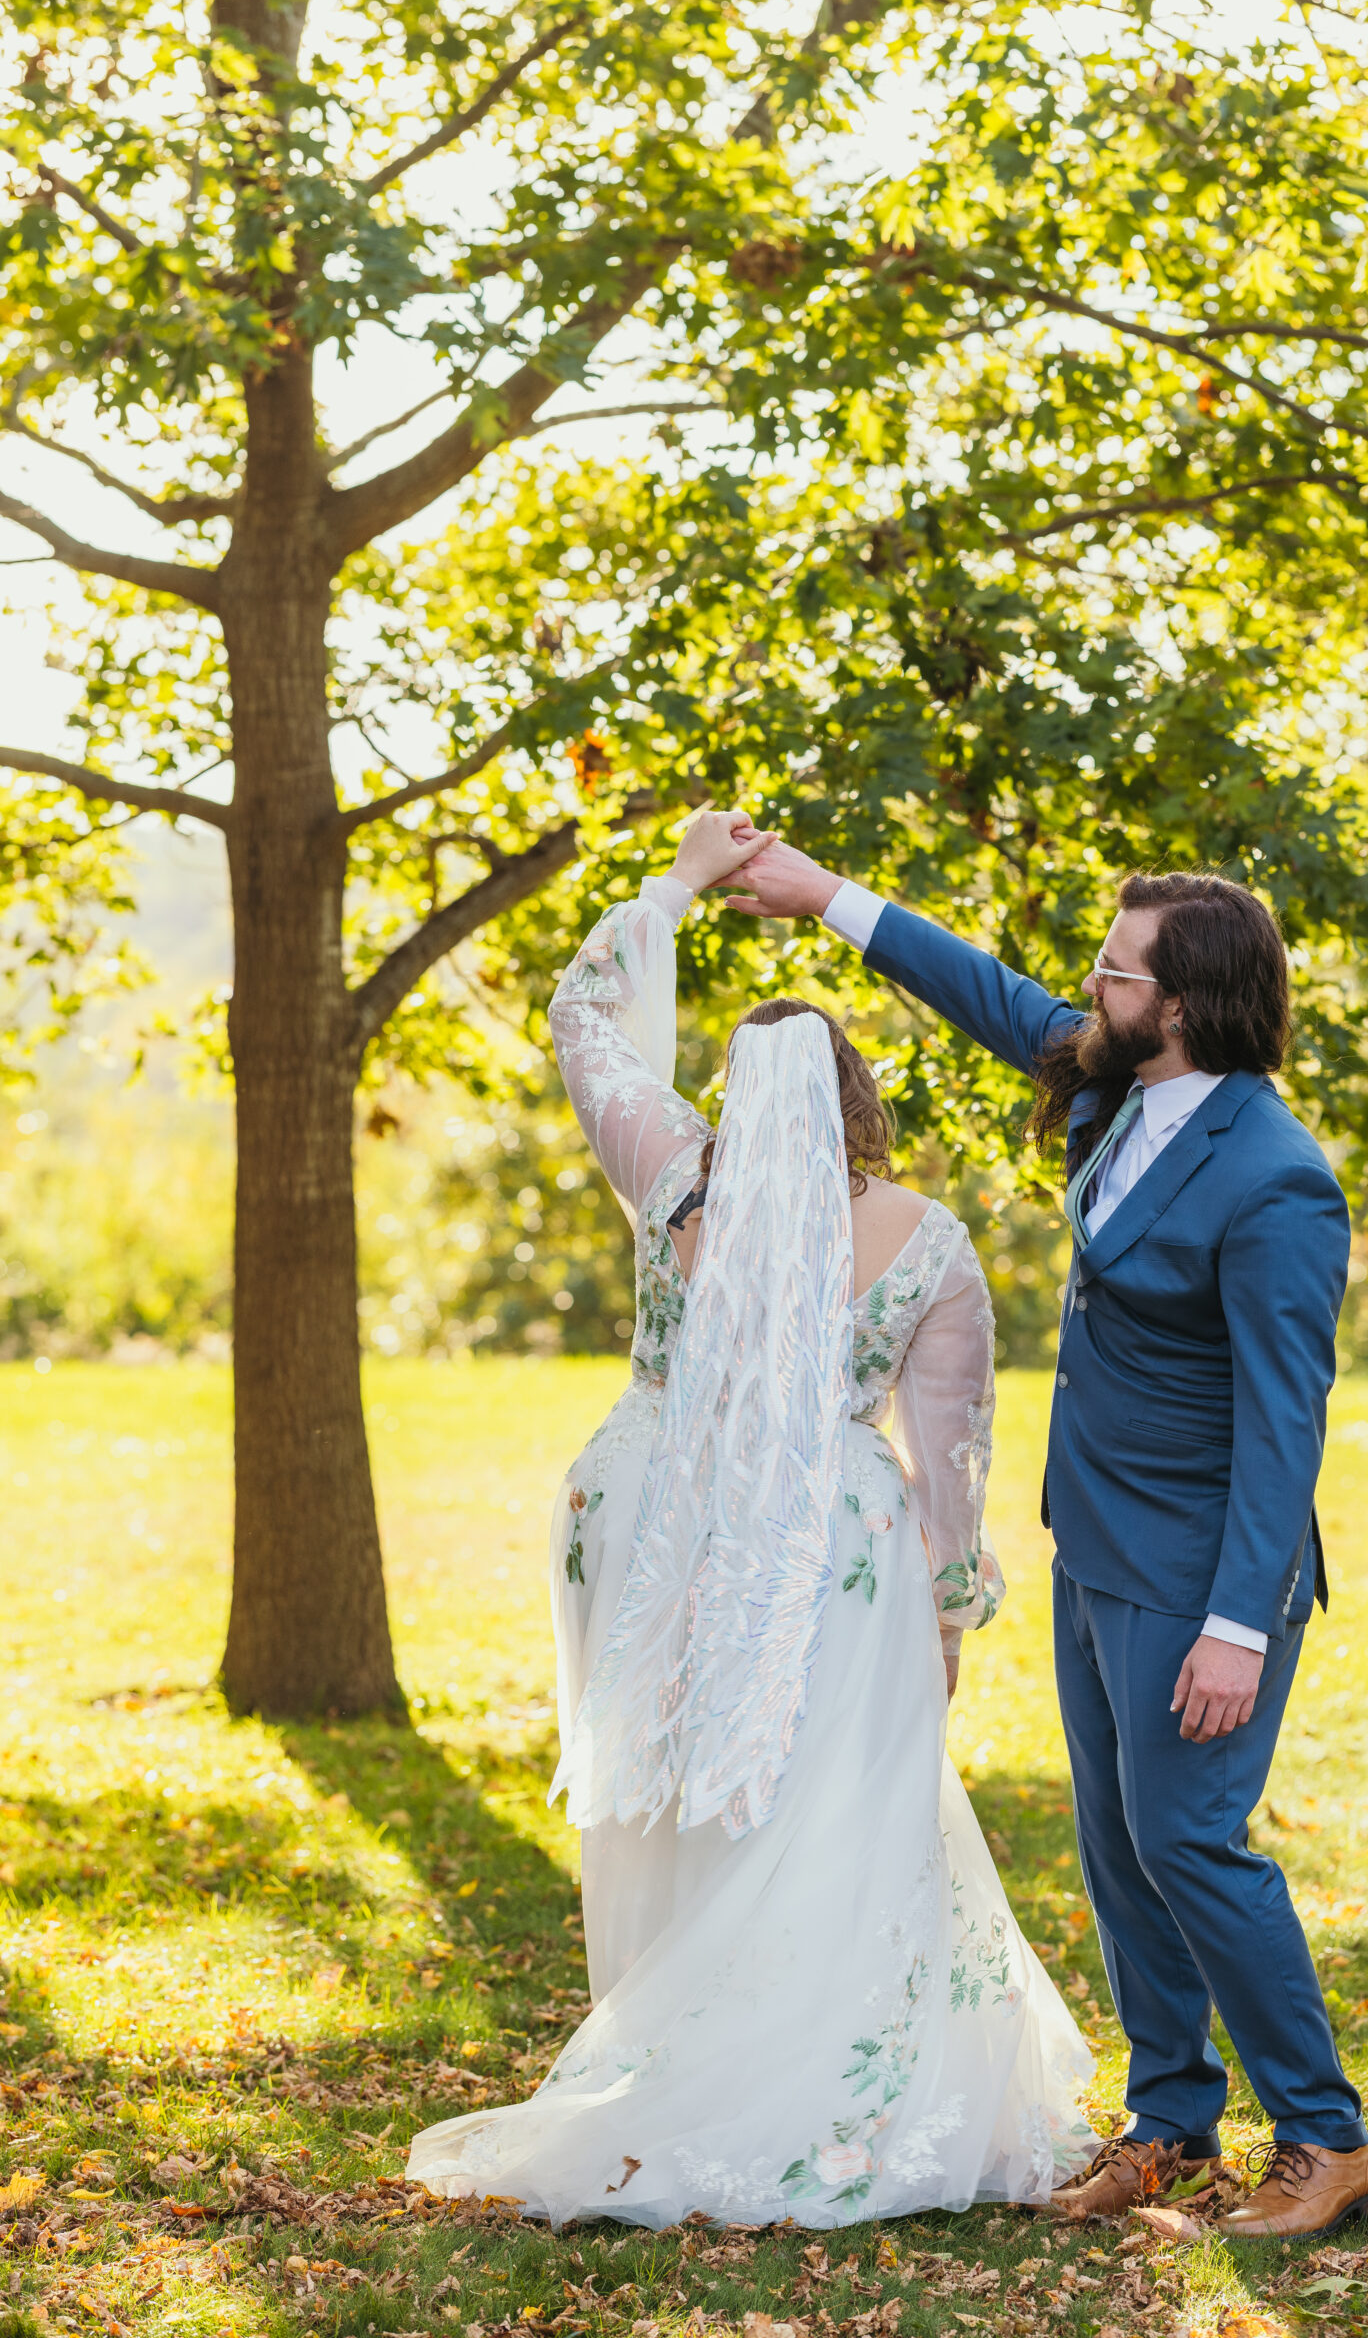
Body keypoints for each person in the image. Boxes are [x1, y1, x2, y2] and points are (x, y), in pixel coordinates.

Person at [406, 810, 1097, 2229]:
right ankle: (814, 2084)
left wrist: (678, 883)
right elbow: (952, 1454)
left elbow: (583, 1015)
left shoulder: (672, 1168)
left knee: (672, 1799)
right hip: (834, 1545)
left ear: (730, 1091)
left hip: (644, 1503)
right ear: (858, 1103)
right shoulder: (930, 1243)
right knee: (831, 1798)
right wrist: (948, 1611)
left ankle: (671, 2057)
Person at [722, 842, 1368, 2242]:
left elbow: (1287, 1424)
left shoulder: (1276, 1178)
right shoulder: (1115, 1082)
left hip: (1201, 1573)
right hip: (1092, 1540)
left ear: (1182, 1006)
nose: (1089, 986)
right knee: (1118, 1843)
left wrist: (1237, 1627)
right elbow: (987, 991)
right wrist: (823, 895)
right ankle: (1172, 2122)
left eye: (1115, 970)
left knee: (1190, 1840)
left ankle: (1327, 2144)